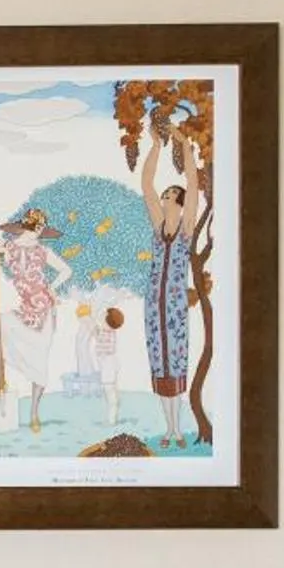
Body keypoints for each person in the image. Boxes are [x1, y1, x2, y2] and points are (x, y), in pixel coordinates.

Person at [140, 119, 207, 448]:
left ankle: (177, 428)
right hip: (153, 303)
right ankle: (168, 428)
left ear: (179, 204)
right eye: (164, 195)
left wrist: (183, 144)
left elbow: (193, 183)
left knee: (176, 360)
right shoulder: (157, 228)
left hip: (175, 303)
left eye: (170, 195)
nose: (164, 197)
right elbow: (145, 184)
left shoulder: (186, 228)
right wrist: (155, 146)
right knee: (158, 361)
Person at [0, 207, 74, 434]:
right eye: (38, 227)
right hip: (25, 310)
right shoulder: (10, 247)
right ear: (32, 227)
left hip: (44, 312)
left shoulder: (42, 251)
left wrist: (51, 287)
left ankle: (34, 413)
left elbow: (66, 270)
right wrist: (0, 246)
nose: (40, 231)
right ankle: (1, 382)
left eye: (41, 227)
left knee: (40, 361)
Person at [94, 305, 126, 424]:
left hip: (109, 363)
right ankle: (115, 406)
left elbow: (95, 329)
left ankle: (112, 416)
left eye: (103, 317)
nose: (101, 318)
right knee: (111, 388)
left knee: (109, 390)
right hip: (110, 363)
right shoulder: (107, 331)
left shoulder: (106, 332)